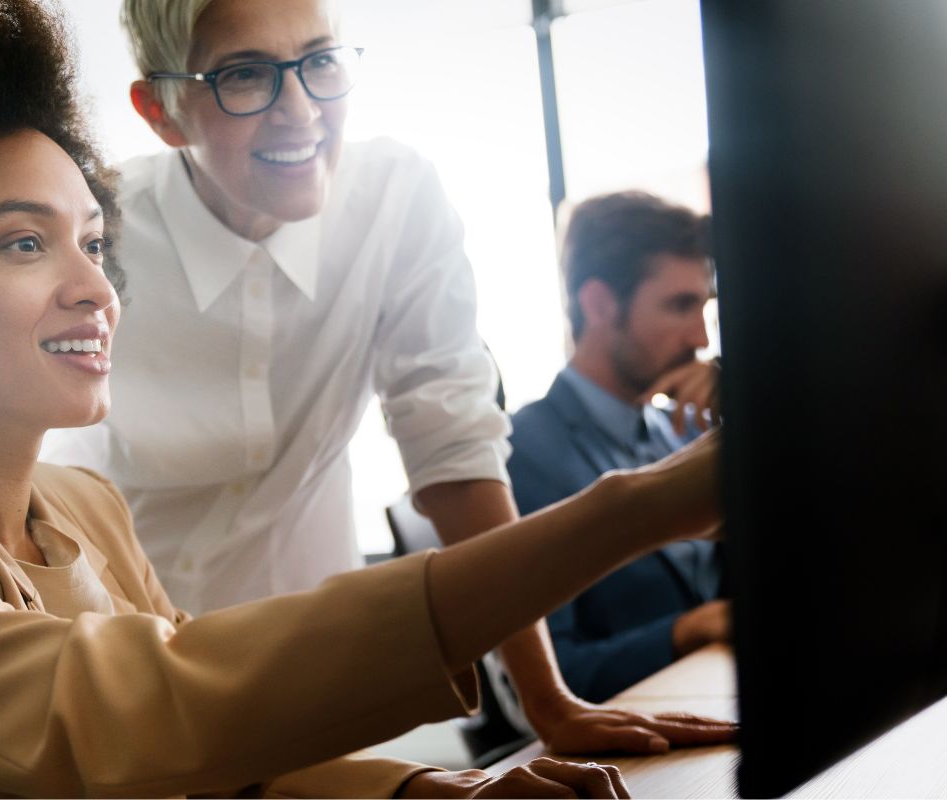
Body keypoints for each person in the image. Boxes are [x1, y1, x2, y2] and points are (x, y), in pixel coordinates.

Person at [0, 1, 728, 797]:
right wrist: (635, 508)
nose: (99, 289)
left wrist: (435, 792)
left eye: (94, 245)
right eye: (25, 243)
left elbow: (225, 768)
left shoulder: (81, 511)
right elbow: (154, 713)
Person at [40, 0, 736, 756]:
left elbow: (453, 452)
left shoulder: (394, 202)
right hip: (133, 682)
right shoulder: (97, 241)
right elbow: (52, 490)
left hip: (314, 681)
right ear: (161, 111)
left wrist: (548, 701)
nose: (299, 112)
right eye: (245, 75)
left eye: (319, 61)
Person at [507, 191, 729, 703]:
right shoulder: (525, 453)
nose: (700, 336)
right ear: (600, 304)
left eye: (705, 307)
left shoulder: (681, 432)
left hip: (712, 700)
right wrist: (688, 628)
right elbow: (551, 678)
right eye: (679, 305)